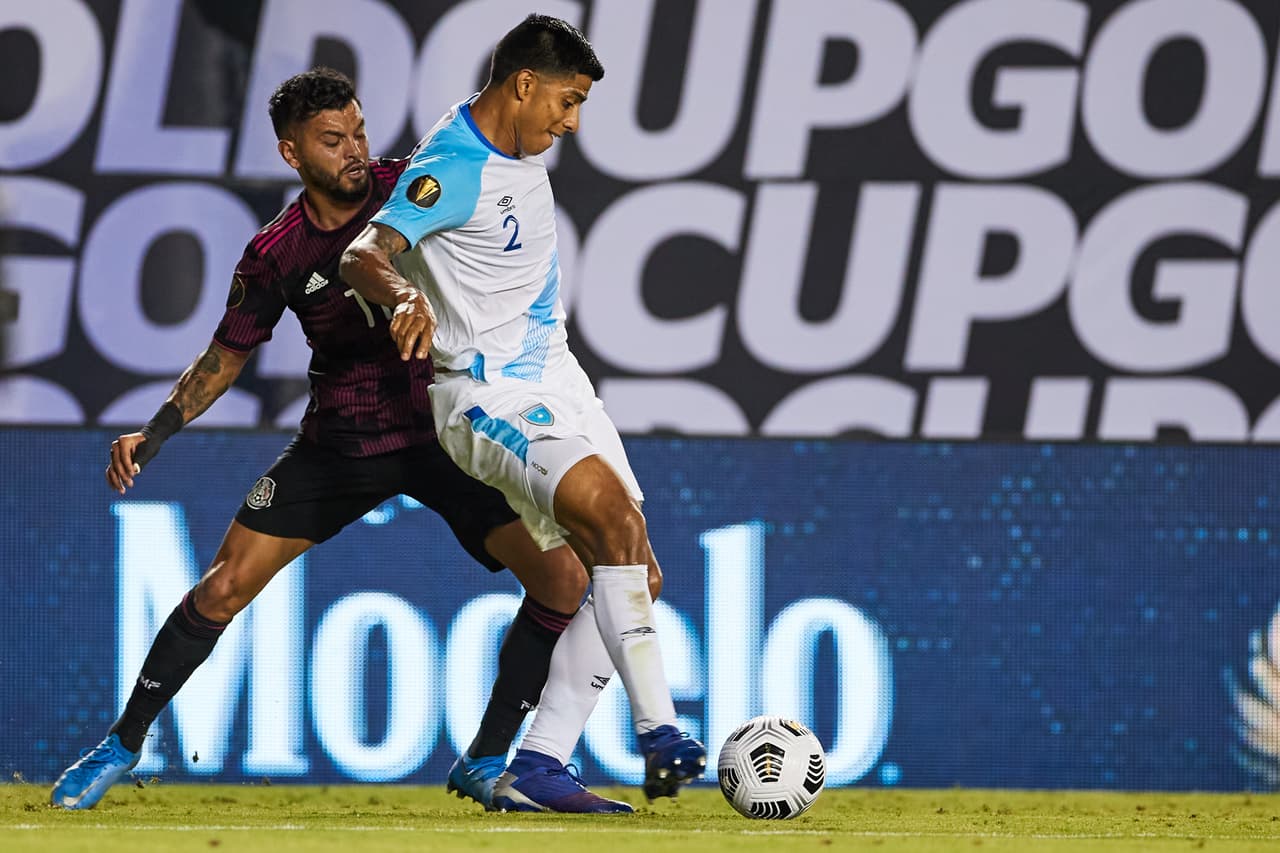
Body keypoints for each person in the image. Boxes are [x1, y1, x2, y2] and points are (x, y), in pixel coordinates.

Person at [49, 68, 632, 815]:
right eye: (333, 140)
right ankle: (123, 742)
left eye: (359, 131)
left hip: (447, 432)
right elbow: (224, 358)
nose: (355, 150)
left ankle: (488, 760)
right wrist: (156, 430)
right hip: (341, 443)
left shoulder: (411, 189)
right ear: (293, 155)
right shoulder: (277, 253)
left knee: (562, 581)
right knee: (223, 584)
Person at [340, 14, 707, 811]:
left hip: (557, 378)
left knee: (633, 569)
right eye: (567, 102)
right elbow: (362, 253)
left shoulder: (512, 146)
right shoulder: (451, 164)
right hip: (486, 392)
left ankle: (540, 762)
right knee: (608, 519)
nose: (570, 123)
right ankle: (663, 733)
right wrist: (402, 291)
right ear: (524, 85)